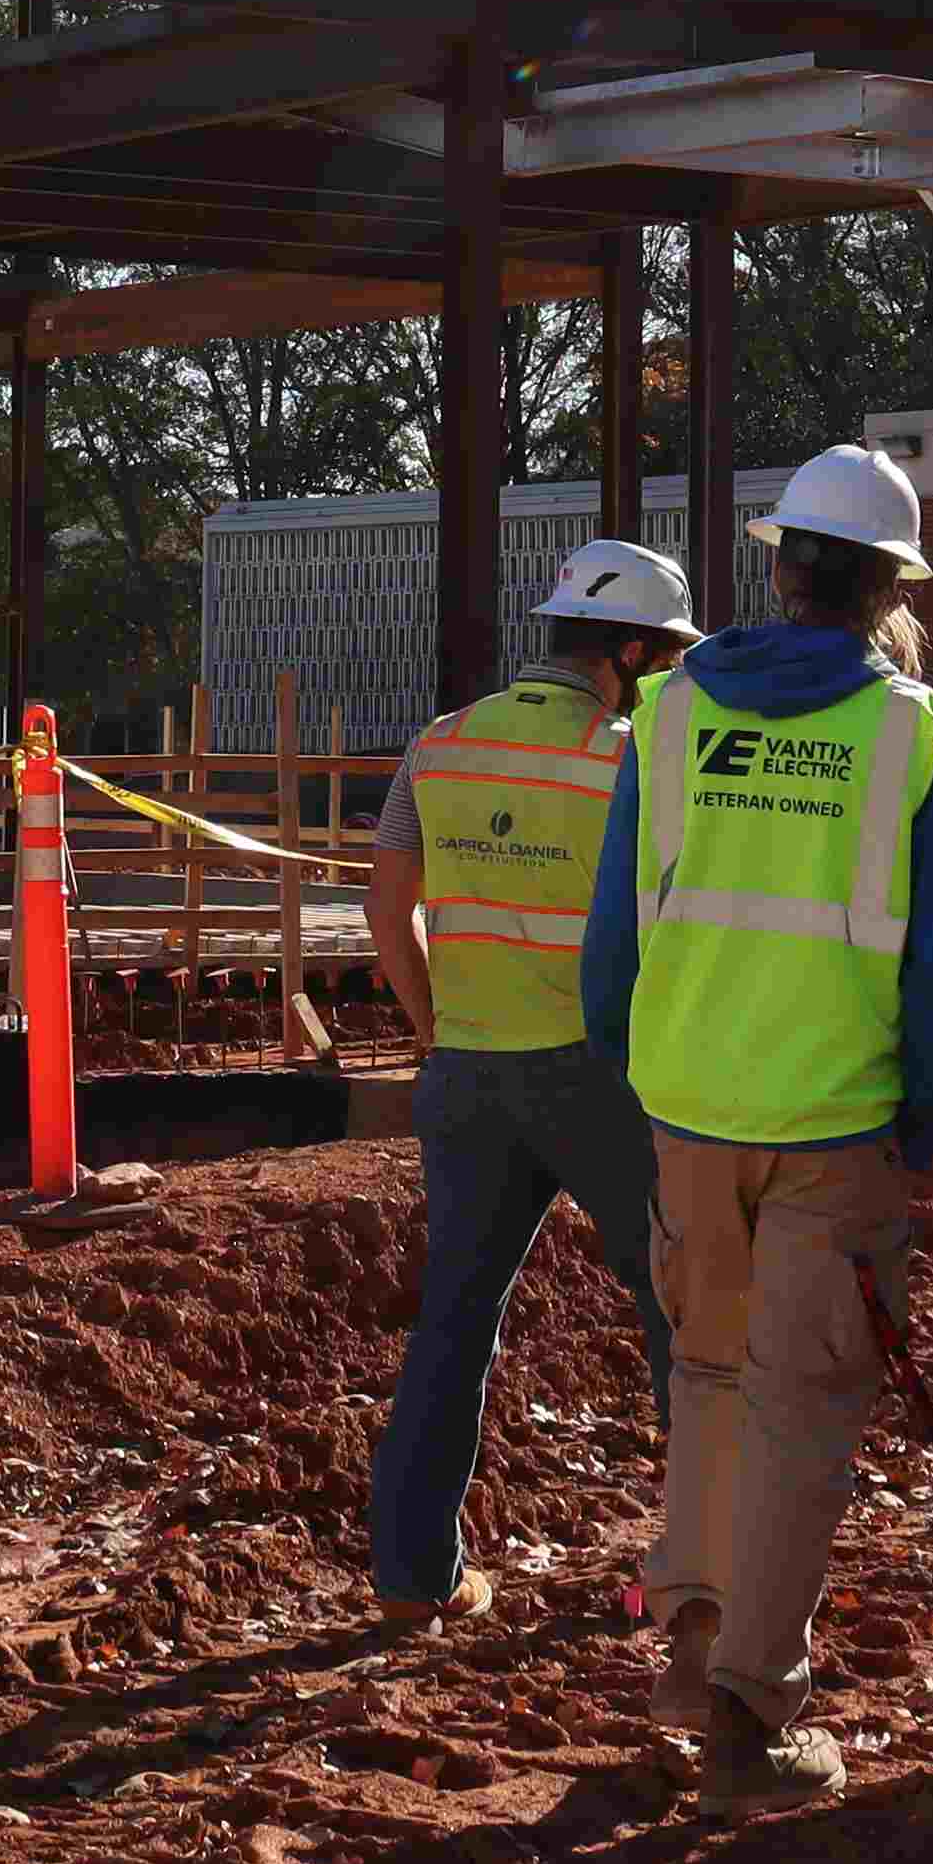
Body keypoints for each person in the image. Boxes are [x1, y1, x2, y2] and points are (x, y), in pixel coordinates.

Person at [580, 443, 933, 1815]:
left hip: (688, 1103)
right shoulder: (918, 735)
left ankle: (695, 1651)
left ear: (779, 564)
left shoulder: (676, 711)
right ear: (886, 589)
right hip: (833, 1117)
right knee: (802, 1409)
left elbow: (617, 922)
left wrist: (627, 1052)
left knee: (705, 1382)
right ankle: (754, 1716)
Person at [357, 536, 694, 1623]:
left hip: (467, 1075)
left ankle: (415, 1577)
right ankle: (704, 1570)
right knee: (681, 1313)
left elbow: (384, 905)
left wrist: (435, 1030)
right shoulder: (633, 757)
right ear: (631, 651)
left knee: (453, 1318)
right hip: (598, 1083)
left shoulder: (440, 744)